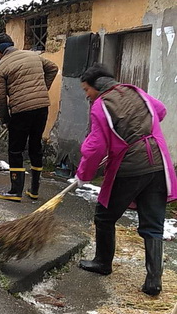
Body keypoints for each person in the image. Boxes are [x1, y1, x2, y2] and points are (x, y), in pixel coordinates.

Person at [75, 63, 177, 296]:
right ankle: (154, 281)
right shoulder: (135, 91)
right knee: (152, 223)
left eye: (86, 89)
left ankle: (102, 263)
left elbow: (95, 147)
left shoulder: (101, 105)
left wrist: (84, 174)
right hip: (158, 164)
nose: (86, 94)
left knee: (104, 215)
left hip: (130, 167)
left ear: (97, 86)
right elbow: (160, 110)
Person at [0, 33, 58, 201]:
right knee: (36, 146)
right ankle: (34, 190)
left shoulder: (1, 66)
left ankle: (15, 191)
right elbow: (53, 68)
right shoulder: (33, 55)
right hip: (42, 108)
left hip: (21, 110)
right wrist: (42, 90)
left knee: (16, 150)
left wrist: (5, 119)